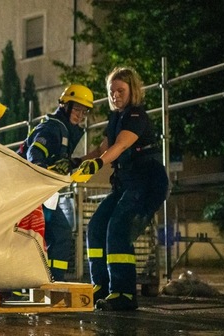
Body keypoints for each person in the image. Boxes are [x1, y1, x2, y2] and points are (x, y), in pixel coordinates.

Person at [75, 66, 168, 311]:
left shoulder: (136, 117)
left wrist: (97, 164)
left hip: (147, 182)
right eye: (111, 91)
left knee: (119, 228)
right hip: (126, 184)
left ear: (132, 91)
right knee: (96, 227)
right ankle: (102, 289)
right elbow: (101, 149)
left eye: (120, 90)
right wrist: (75, 162)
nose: (115, 95)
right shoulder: (117, 118)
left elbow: (118, 147)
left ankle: (124, 294)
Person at [20, 83, 93, 282]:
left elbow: (56, 160)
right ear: (65, 106)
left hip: (44, 193)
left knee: (60, 234)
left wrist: (74, 163)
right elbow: (34, 153)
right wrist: (42, 169)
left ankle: (53, 281)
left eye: (84, 111)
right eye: (77, 108)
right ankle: (23, 283)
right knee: (35, 237)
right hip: (32, 192)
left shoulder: (65, 131)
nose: (80, 115)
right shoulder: (53, 128)